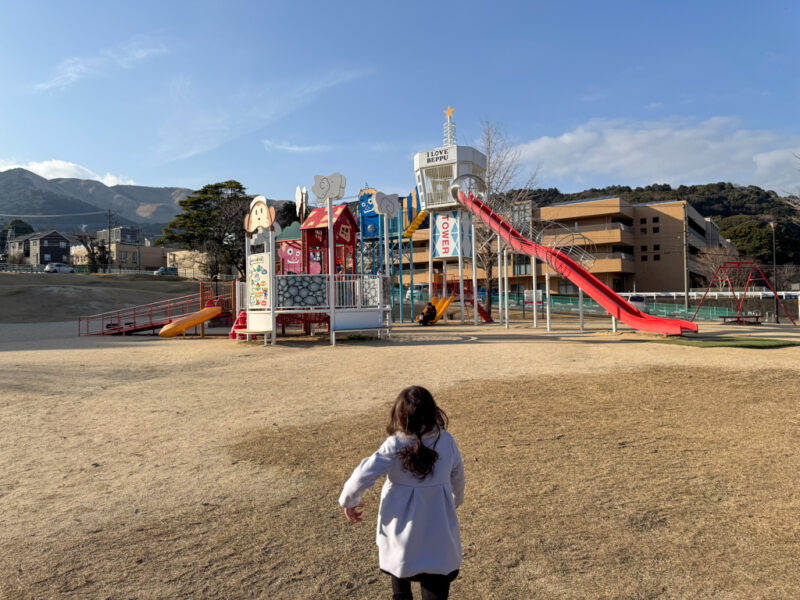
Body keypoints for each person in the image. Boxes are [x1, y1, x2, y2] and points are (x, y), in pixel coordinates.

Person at [339, 386, 465, 600]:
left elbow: (363, 474)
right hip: (437, 521)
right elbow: (458, 474)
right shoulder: (446, 441)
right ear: (434, 411)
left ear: (399, 414)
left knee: (400, 558)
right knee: (436, 569)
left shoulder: (394, 444)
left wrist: (349, 500)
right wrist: (456, 499)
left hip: (400, 521)